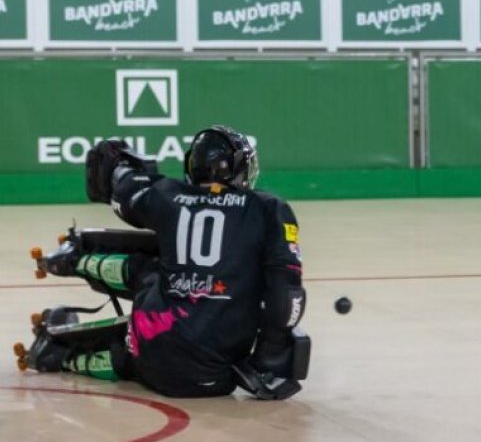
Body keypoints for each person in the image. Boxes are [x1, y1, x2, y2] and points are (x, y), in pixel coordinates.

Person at [19, 127, 308, 400]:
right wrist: (267, 361)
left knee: (153, 267)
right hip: (213, 377)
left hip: (150, 348)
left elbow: (124, 189)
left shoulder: (168, 194)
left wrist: (121, 167)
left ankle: (77, 262)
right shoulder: (268, 209)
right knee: (245, 283)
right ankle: (65, 356)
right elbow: (288, 298)